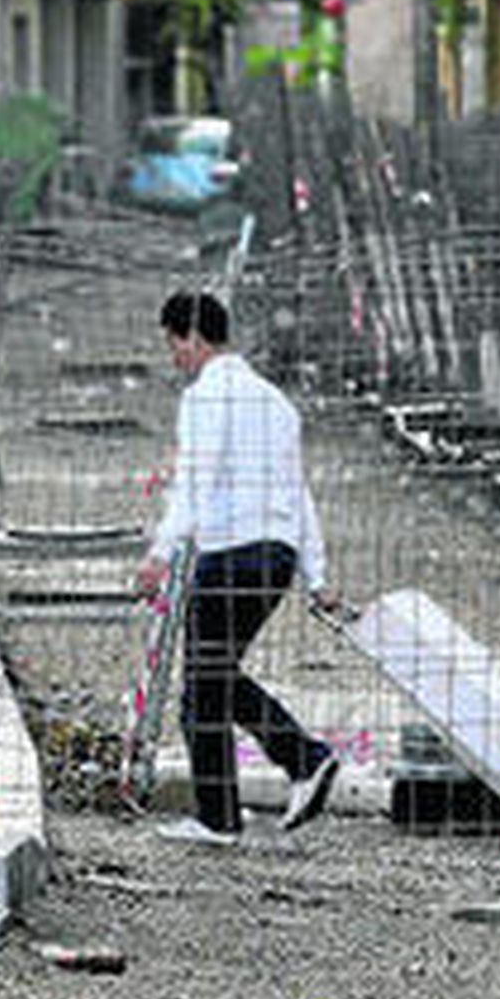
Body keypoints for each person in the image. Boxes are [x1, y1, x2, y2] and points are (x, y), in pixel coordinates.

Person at [137, 289, 342, 845]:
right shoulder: (275, 402)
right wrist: (316, 575)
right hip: (275, 558)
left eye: (174, 343)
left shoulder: (207, 396)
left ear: (193, 338)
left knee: (205, 686)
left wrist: (161, 551)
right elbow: (299, 493)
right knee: (213, 680)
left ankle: (291, 768)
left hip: (230, 556)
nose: (174, 356)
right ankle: (251, 795)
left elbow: (195, 482)